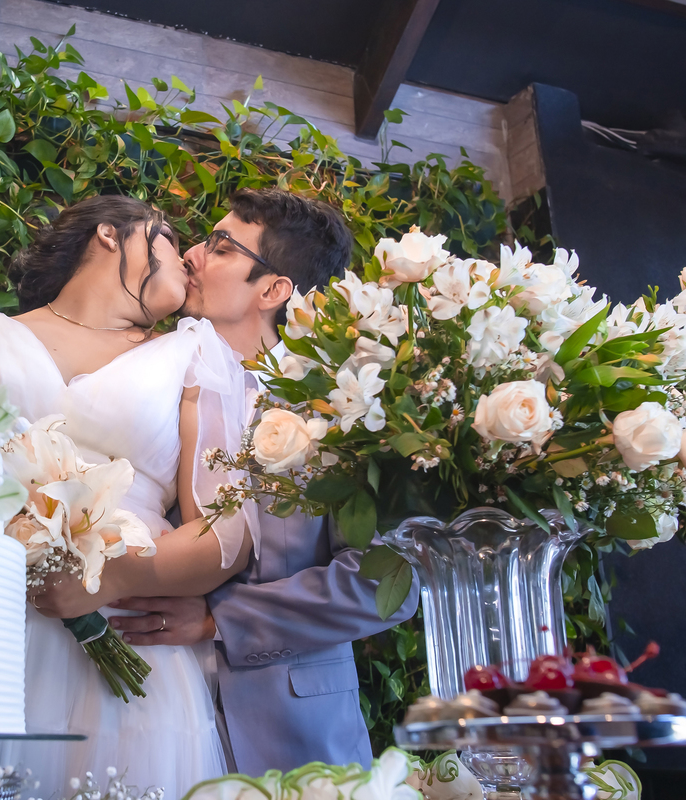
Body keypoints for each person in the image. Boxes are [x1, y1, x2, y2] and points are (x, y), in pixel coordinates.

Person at [36, 188, 420, 774]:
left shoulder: (339, 411)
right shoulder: (155, 376)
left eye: (219, 248)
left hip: (291, 733)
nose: (189, 254)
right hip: (147, 710)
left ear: (272, 290)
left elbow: (386, 583)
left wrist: (220, 620)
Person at [0, 195, 257, 800]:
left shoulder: (192, 353)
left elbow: (225, 531)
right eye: (169, 238)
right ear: (110, 234)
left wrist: (110, 579)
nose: (188, 258)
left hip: (126, 632)